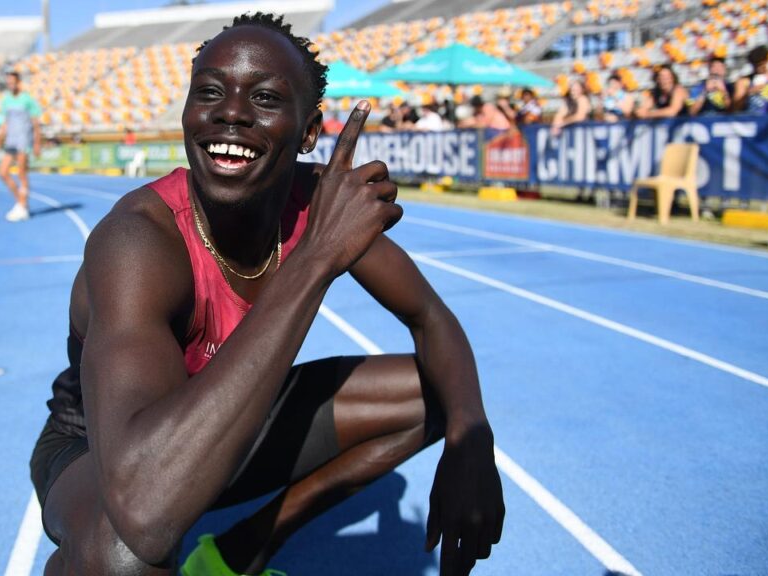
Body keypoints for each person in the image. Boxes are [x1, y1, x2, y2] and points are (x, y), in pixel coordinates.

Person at [30, 12, 504, 576]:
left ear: (308, 132)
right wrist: (317, 259)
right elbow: (144, 507)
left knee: (439, 393)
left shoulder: (316, 204)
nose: (231, 112)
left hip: (242, 415)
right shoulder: (137, 241)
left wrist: (472, 440)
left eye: (265, 97)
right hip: (100, 448)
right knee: (125, 556)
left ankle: (243, 549)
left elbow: (430, 317)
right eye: (209, 92)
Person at [0, 70, 42, 222]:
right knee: (2, 172)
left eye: (13, 82)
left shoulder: (27, 100)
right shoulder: (6, 100)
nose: (10, 85)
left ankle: (22, 206)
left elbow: (35, 124)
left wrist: (37, 143)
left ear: (18, 82)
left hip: (24, 141)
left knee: (21, 174)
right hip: (10, 141)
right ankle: (21, 203)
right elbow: (5, 123)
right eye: (8, 82)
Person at [733, 45, 768, 115]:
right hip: (752, 121)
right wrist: (749, 92)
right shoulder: (744, 81)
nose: (758, 68)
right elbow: (734, 108)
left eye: (761, 65)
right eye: (755, 65)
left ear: (766, 61)